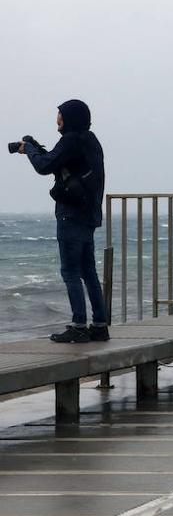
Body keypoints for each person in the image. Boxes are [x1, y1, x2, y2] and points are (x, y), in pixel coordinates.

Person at [18, 100, 109, 343]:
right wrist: (37, 147)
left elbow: (44, 166)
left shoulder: (70, 140)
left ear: (69, 118)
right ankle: (100, 325)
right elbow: (62, 162)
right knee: (88, 271)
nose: (57, 119)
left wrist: (28, 149)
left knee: (70, 271)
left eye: (60, 115)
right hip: (90, 214)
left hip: (71, 214)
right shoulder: (91, 140)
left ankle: (79, 326)